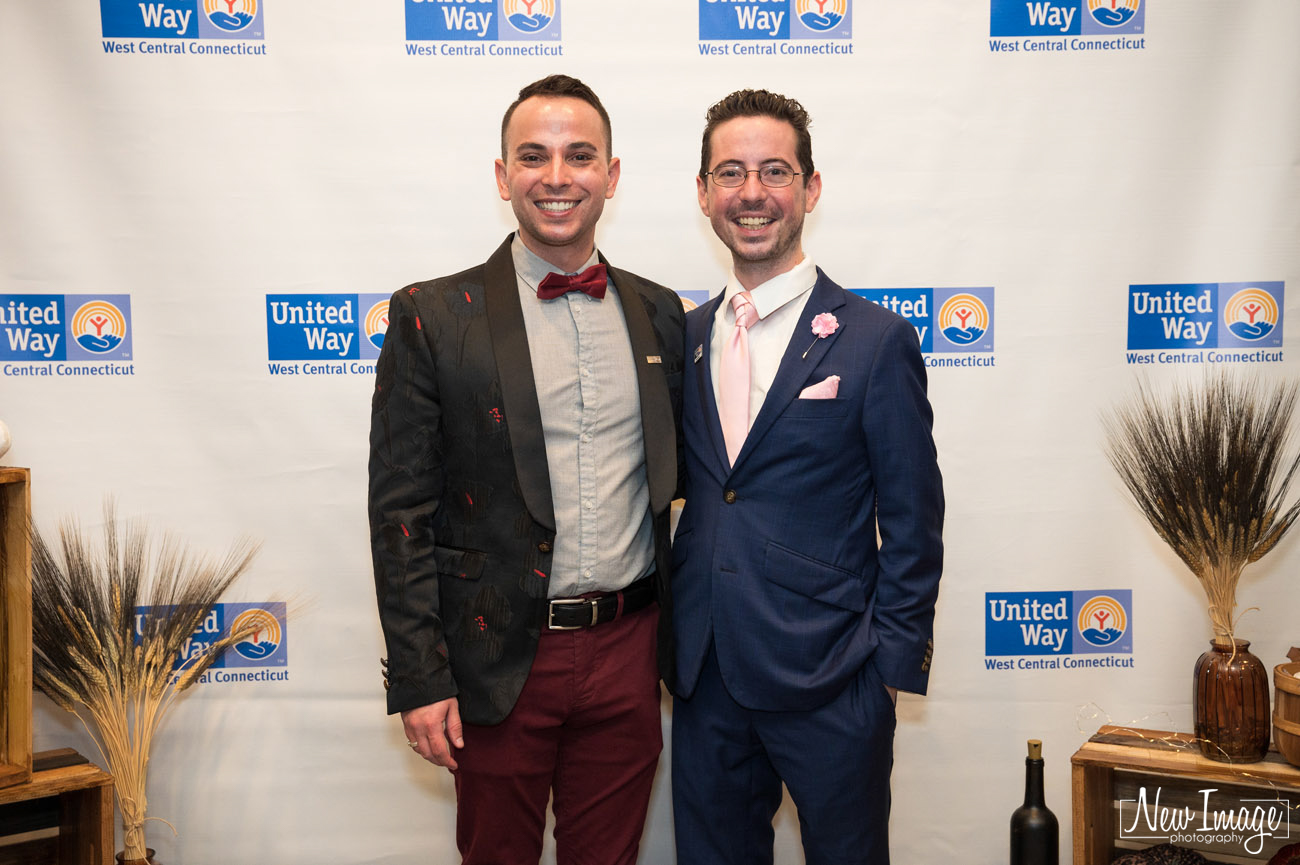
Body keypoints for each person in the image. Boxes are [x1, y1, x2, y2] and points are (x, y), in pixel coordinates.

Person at [368, 74, 684, 865]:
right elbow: (400, 510)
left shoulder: (661, 313)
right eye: (533, 156)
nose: (557, 176)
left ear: (611, 175)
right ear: (503, 175)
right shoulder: (433, 316)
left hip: (628, 648)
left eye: (580, 156)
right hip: (497, 654)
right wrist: (419, 675)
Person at [670, 89, 945, 865]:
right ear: (703, 194)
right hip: (706, 678)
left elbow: (915, 521)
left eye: (774, 171)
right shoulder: (683, 336)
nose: (751, 193)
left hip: (835, 680)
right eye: (730, 172)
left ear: (811, 189)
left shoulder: (874, 339)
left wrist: (887, 675)